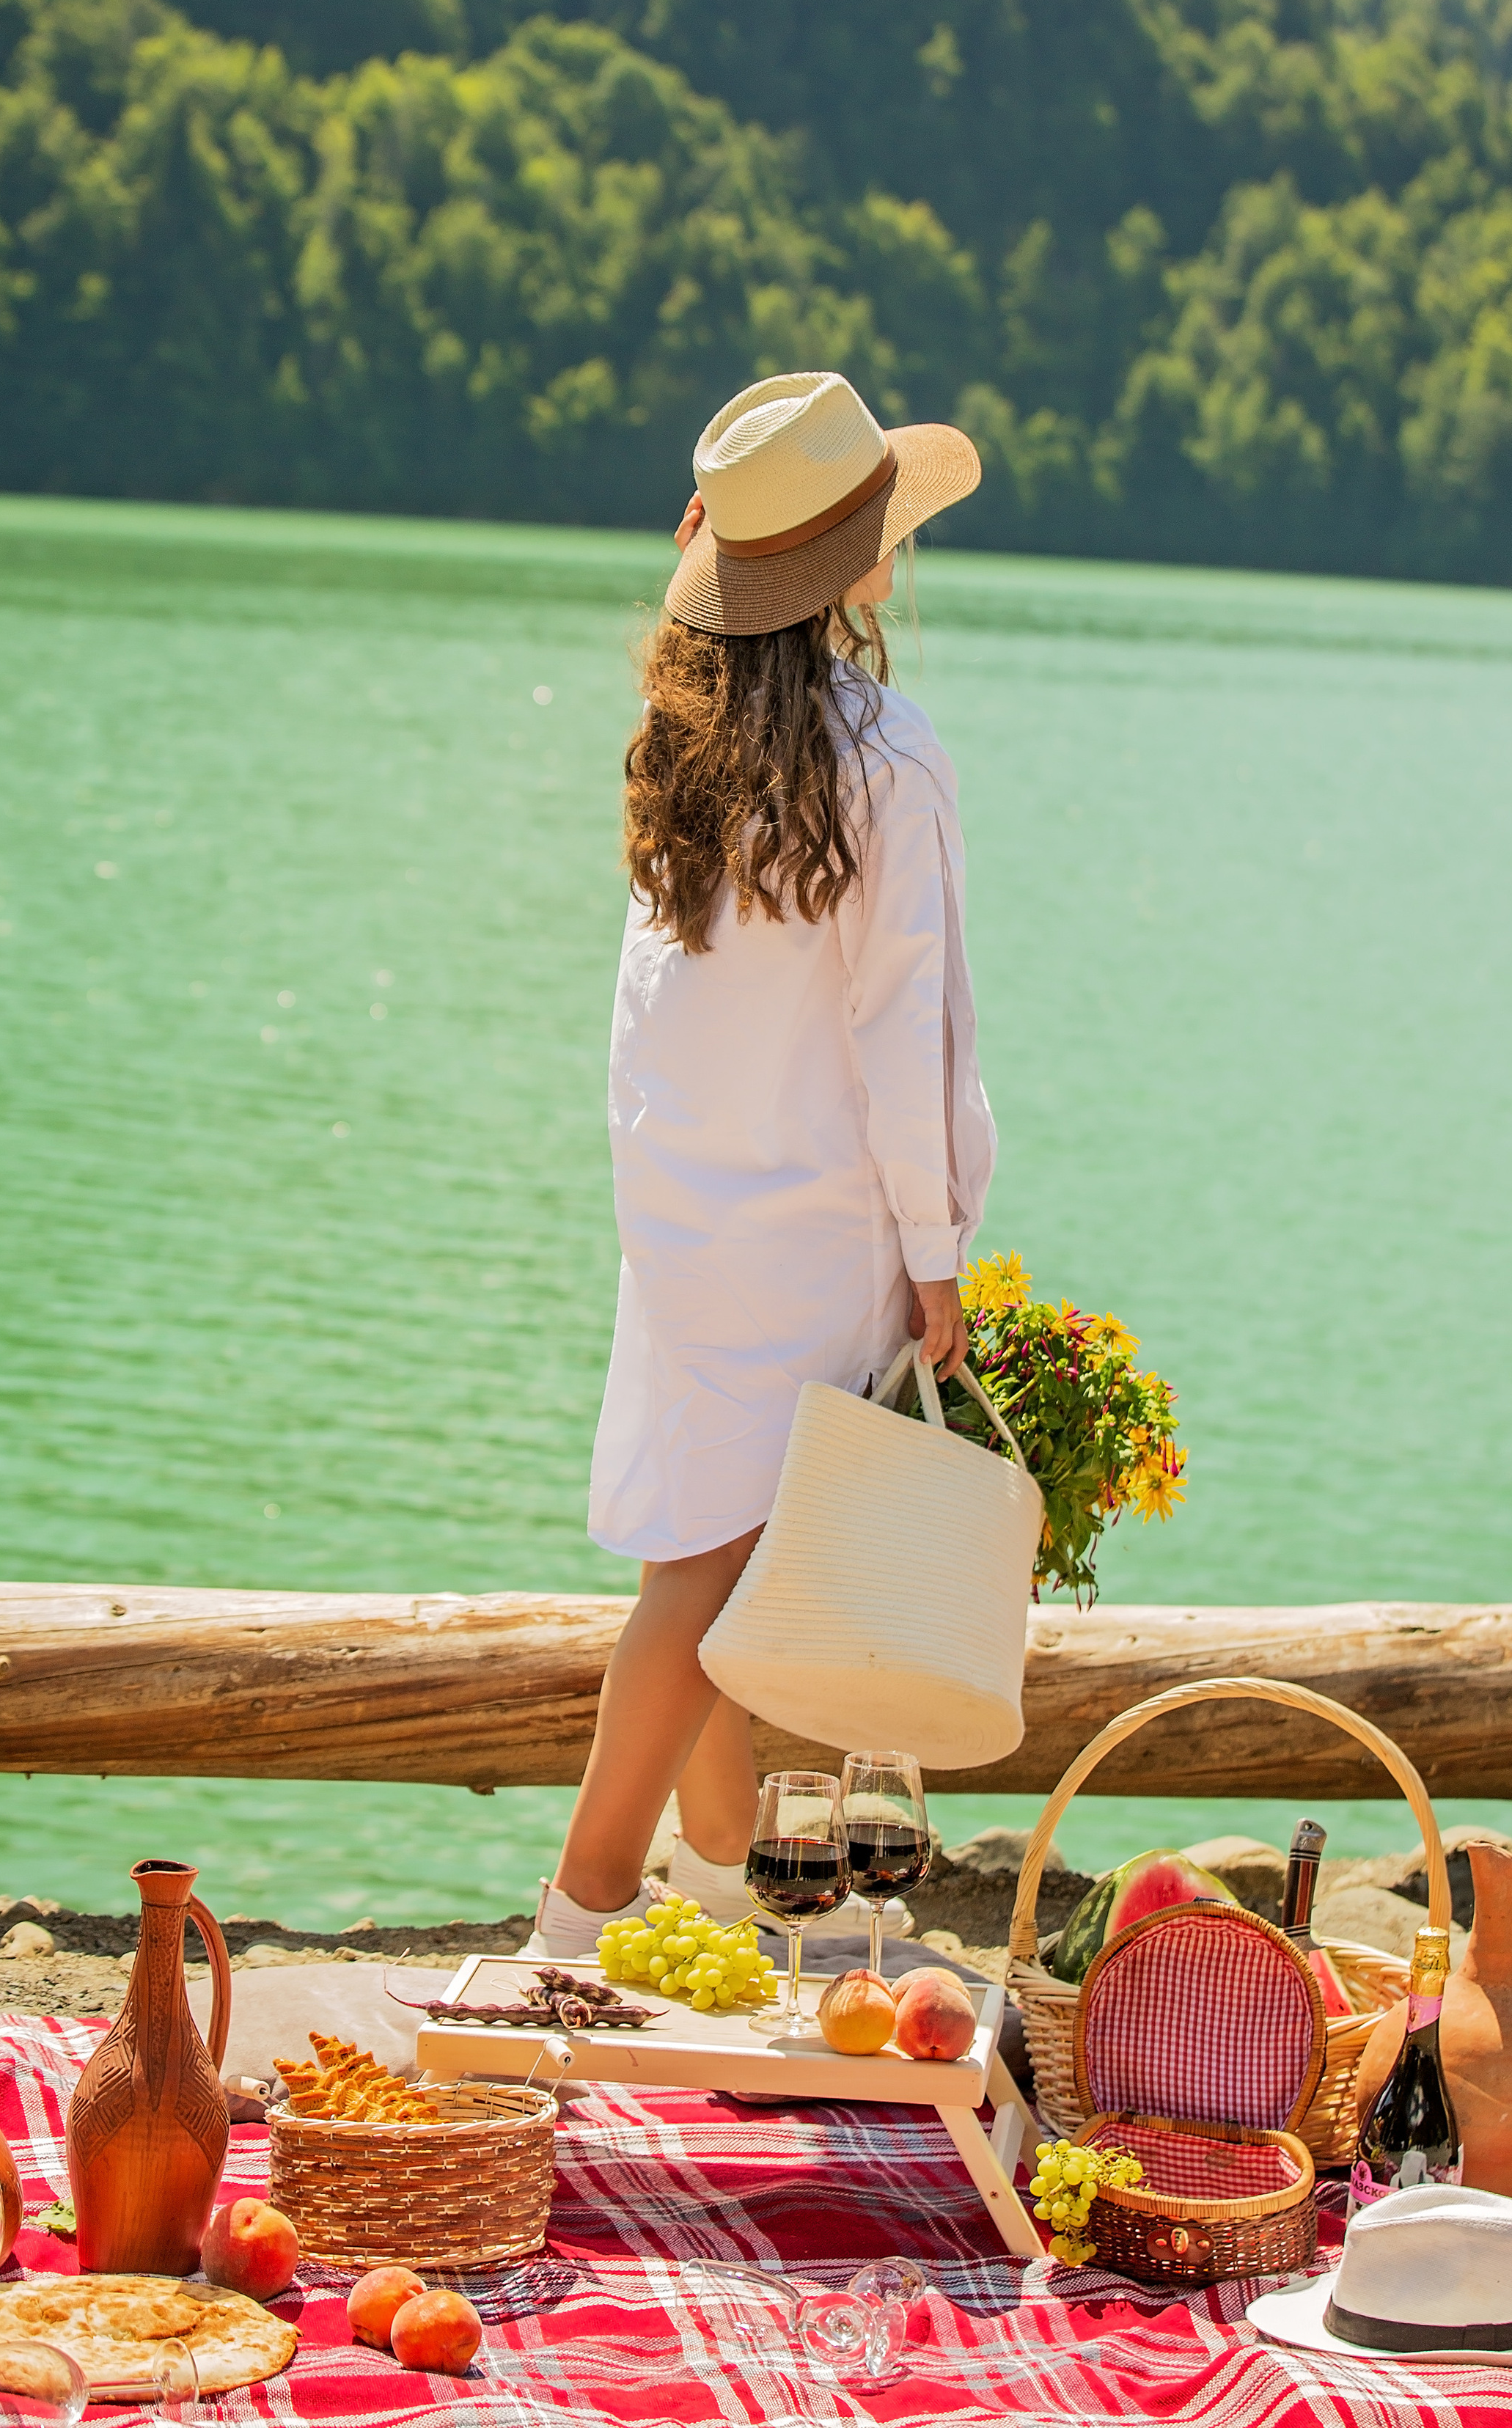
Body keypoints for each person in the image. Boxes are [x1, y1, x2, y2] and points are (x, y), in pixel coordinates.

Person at [527, 370, 996, 1957]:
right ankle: (574, 1920)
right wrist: (934, 1256)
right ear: (856, 560)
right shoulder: (886, 753)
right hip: (809, 1219)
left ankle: (719, 1892)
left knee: (698, 1543)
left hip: (684, 1207)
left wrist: (654, 1206)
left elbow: (643, 1010)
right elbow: (903, 1021)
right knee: (708, 1573)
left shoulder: (684, 747)